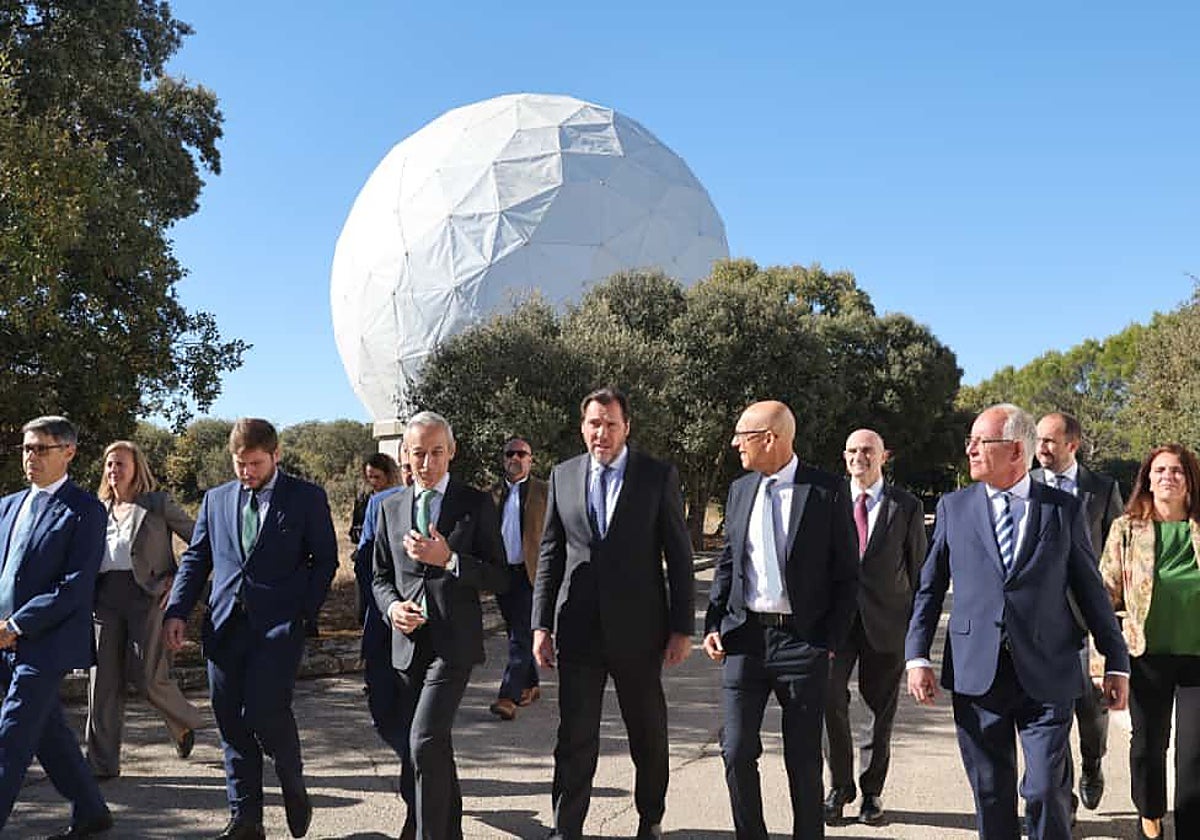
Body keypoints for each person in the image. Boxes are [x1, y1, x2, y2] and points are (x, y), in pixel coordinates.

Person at [905, 403, 1130, 840]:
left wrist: (1115, 660)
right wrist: (916, 655)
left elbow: (1090, 591)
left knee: (1046, 789)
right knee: (991, 792)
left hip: (1049, 670)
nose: (969, 449)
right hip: (978, 674)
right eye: (969, 441)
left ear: (1014, 450)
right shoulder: (955, 507)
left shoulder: (1062, 509)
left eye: (979, 442)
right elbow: (929, 588)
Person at [164, 418, 338, 840]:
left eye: (256, 463)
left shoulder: (306, 498)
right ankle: (246, 819)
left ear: (276, 455)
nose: (247, 472)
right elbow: (197, 558)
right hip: (224, 627)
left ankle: (291, 779)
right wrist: (177, 612)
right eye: (240, 463)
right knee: (230, 724)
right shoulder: (216, 500)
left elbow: (326, 560)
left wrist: (302, 613)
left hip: (278, 627)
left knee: (264, 711)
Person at [533, 386, 694, 840]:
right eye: (593, 424)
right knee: (575, 735)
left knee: (647, 732)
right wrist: (540, 624)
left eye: (610, 424)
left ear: (627, 427)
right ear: (582, 426)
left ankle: (650, 817)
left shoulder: (656, 475)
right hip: (578, 628)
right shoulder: (563, 475)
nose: (601, 433)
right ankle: (567, 826)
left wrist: (682, 627)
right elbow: (550, 555)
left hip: (640, 632)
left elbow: (679, 556)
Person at [703, 400, 858, 840]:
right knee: (734, 750)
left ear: (769, 439)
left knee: (803, 759)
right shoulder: (739, 490)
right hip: (745, 639)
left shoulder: (826, 490)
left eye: (741, 435)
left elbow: (848, 575)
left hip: (802, 643)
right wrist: (714, 622)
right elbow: (729, 563)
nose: (735, 444)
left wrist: (827, 641)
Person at [371, 411, 509, 840]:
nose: (428, 463)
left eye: (436, 452)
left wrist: (448, 559)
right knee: (433, 746)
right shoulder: (389, 506)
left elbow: (500, 575)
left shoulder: (474, 503)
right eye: (419, 454)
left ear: (452, 451)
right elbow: (377, 576)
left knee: (424, 741)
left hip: (454, 645)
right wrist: (392, 608)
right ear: (405, 456)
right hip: (406, 645)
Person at [0, 416, 112, 837]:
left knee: (10, 737)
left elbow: (75, 586)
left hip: (46, 642)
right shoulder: (7, 505)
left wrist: (16, 624)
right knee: (48, 733)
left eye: (41, 449)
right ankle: (91, 810)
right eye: (27, 448)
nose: (31, 457)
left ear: (69, 452)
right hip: (2, 640)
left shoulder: (84, 510)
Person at [824, 428, 926, 826]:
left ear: (885, 456)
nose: (858, 457)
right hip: (835, 624)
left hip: (887, 624)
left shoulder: (907, 506)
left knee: (878, 711)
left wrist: (916, 632)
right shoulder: (829, 502)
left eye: (867, 451)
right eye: (850, 450)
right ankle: (839, 785)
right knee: (828, 701)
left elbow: (918, 572)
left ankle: (871, 793)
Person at [86, 440, 205, 779]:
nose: (113, 470)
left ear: (137, 467)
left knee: (147, 677)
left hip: (148, 597)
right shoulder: (96, 508)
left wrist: (178, 581)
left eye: (120, 464)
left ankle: (186, 722)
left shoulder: (156, 503)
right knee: (102, 683)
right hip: (104, 599)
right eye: (109, 464)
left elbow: (200, 541)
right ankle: (101, 764)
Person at [1098, 444, 1200, 840]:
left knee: (1194, 757)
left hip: (1197, 662)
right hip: (1145, 657)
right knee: (1147, 749)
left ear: (1189, 480)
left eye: (1177, 471)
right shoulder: (1126, 529)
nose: (1167, 477)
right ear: (1147, 478)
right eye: (1159, 470)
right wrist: (1102, 664)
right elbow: (1103, 598)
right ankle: (1151, 816)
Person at [1029, 411, 1124, 814]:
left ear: (1073, 444)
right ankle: (1061, 799)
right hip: (1042, 620)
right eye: (1038, 441)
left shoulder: (1101, 489)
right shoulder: (1025, 486)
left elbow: (1119, 548)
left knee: (1090, 707)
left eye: (1050, 441)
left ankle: (1093, 763)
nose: (1041, 449)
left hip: (1089, 617)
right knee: (1051, 714)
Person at [488, 436, 548, 720]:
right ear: (504, 459)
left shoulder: (544, 492)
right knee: (516, 632)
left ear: (530, 459)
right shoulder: (492, 494)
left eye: (522, 454)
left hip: (531, 573)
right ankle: (532, 685)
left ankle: (508, 696)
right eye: (510, 453)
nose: (516, 458)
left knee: (521, 634)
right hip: (502, 574)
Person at [352, 453, 400, 619]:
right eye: (369, 477)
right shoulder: (365, 499)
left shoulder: (382, 500)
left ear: (389, 475)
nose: (373, 482)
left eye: (377, 477)